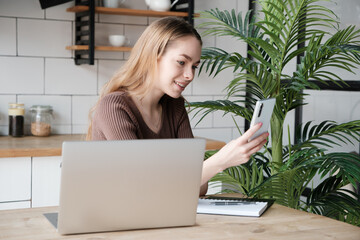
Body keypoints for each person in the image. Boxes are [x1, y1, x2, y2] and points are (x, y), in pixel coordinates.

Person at [87, 17, 269, 196]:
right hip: (117, 222)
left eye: (194, 66)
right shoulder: (114, 107)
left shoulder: (174, 106)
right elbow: (142, 187)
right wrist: (220, 161)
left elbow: (200, 189)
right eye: (182, 62)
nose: (190, 75)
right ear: (153, 56)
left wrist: (201, 171)